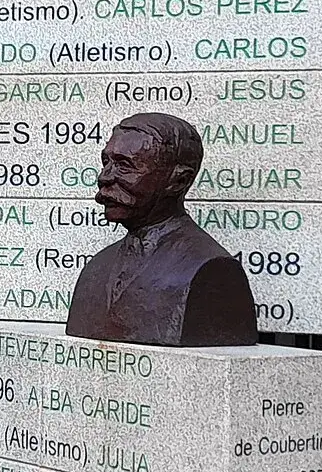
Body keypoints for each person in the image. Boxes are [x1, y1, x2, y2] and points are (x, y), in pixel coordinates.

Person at [64, 112, 258, 347]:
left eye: (125, 166)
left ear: (178, 181)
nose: (104, 177)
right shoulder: (97, 266)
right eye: (106, 162)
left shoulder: (212, 270)